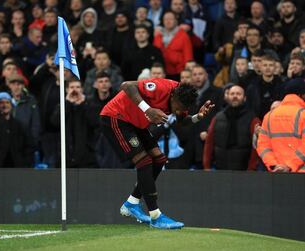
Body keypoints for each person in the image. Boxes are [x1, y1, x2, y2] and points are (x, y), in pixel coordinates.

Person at [100, 77, 214, 229]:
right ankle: (156, 216)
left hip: (136, 122)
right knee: (144, 161)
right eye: (177, 107)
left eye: (182, 109)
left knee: (159, 159)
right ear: (173, 96)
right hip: (116, 116)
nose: (178, 111)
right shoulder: (161, 88)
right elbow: (126, 85)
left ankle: (132, 203)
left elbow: (182, 121)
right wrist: (148, 109)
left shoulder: (182, 98)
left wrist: (197, 117)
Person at [203, 85, 260, 171]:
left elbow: (256, 146)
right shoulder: (218, 117)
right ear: (227, 97)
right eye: (232, 94)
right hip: (220, 169)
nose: (235, 96)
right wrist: (207, 166)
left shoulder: (253, 119)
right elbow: (209, 143)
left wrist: (251, 168)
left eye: (238, 94)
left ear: (244, 98)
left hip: (244, 171)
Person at [257, 79, 305, 173]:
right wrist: (289, 166)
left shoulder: (269, 115)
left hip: (277, 175)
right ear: (302, 95)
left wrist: (274, 165)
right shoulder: (303, 115)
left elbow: (263, 146)